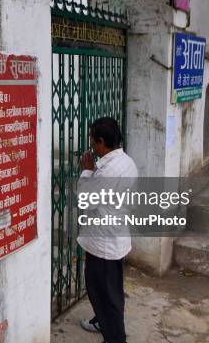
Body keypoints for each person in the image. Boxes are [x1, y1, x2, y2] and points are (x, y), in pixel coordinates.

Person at [77, 117, 138, 343]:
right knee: (110, 291)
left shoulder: (108, 170)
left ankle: (115, 337)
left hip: (104, 243)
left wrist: (86, 171)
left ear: (101, 141)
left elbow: (85, 200)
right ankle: (103, 321)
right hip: (115, 237)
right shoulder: (125, 161)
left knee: (104, 294)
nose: (91, 144)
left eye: (93, 140)